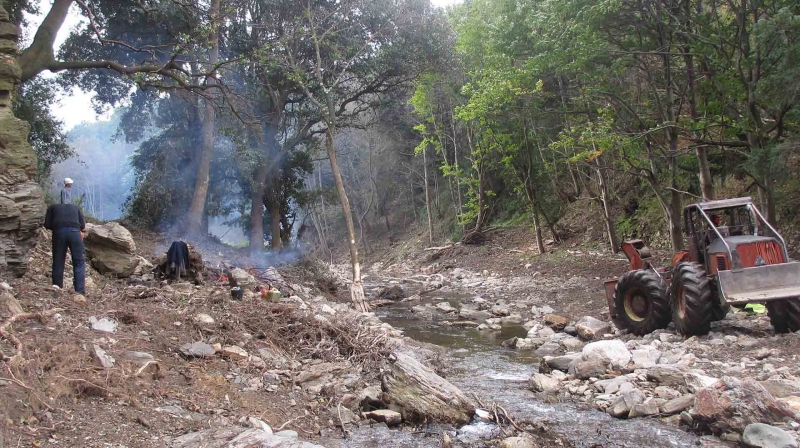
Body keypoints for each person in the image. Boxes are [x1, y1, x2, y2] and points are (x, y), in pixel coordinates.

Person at [44, 202, 86, 295]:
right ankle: (79, 291)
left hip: (59, 233)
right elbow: (82, 226)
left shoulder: (52, 207)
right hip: (75, 233)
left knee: (58, 260)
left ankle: (57, 287)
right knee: (79, 262)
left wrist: (57, 227)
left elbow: (47, 224)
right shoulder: (76, 207)